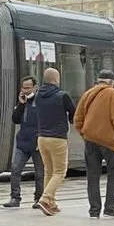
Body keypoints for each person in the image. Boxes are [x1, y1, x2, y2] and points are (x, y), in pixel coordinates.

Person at [73, 68, 114, 218]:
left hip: (90, 140)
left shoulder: (87, 94)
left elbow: (77, 119)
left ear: (98, 81)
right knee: (113, 174)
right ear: (111, 82)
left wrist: (85, 133)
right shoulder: (113, 93)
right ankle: (109, 207)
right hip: (110, 142)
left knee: (93, 176)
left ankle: (94, 210)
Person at [26, 65, 74, 215]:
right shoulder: (62, 95)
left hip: (42, 138)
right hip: (57, 138)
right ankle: (45, 199)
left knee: (49, 171)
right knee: (60, 171)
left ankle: (51, 203)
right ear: (55, 79)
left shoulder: (38, 95)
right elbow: (73, 113)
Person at [3, 75, 41, 207]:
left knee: (40, 173)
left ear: (35, 88)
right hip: (23, 142)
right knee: (15, 169)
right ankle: (15, 197)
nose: (25, 90)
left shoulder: (41, 101)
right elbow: (15, 119)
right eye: (23, 88)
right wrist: (20, 104)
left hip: (38, 143)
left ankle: (39, 198)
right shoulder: (23, 101)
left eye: (28, 88)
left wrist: (41, 139)